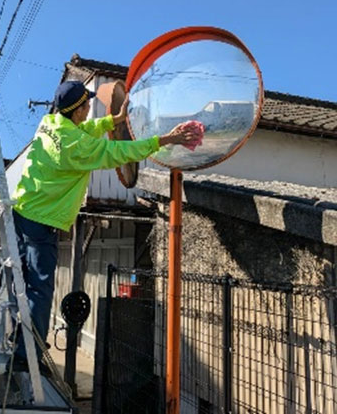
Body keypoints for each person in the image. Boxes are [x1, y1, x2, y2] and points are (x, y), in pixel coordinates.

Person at [10, 80, 201, 366]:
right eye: (86, 106)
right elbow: (119, 153)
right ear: (77, 110)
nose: (89, 109)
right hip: (42, 220)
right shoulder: (77, 149)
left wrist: (115, 120)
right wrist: (166, 140)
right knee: (40, 289)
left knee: (20, 282)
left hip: (22, 210)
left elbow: (83, 130)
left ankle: (19, 339)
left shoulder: (49, 122)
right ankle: (28, 357)